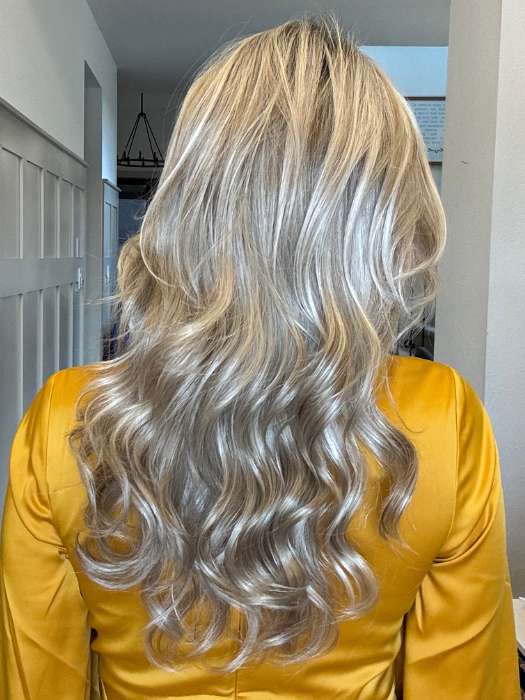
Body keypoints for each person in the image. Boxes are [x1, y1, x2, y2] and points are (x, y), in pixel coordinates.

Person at [0, 15, 520, 700]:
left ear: (189, 204)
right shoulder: (441, 418)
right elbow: (465, 686)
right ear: (386, 219)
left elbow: (35, 679)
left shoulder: (68, 419)